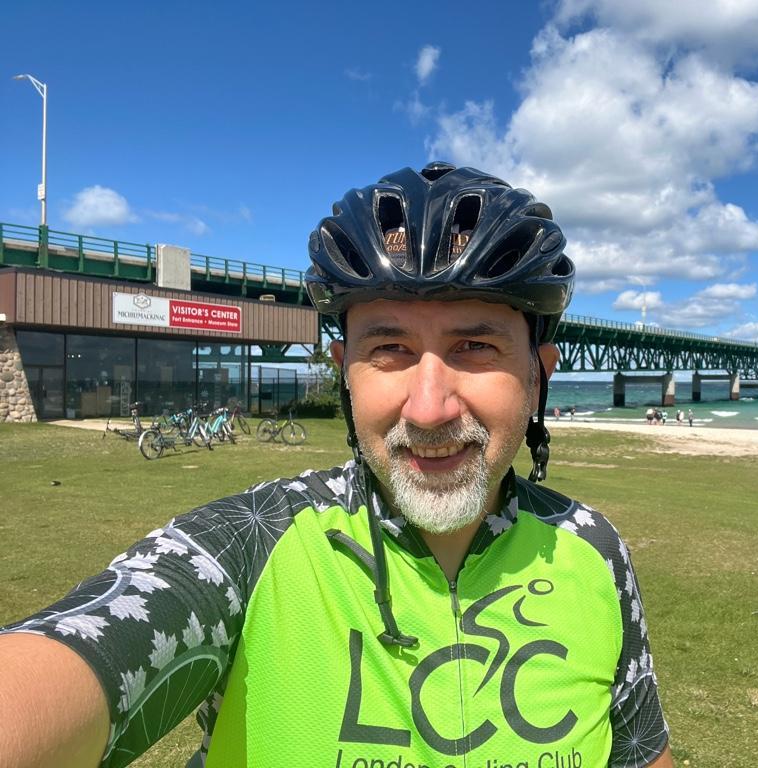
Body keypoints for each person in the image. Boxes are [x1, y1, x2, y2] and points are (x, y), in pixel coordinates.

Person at [0, 163, 672, 768]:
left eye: (474, 346)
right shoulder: (248, 545)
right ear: (343, 372)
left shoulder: (594, 551)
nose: (430, 408)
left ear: (538, 374)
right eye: (389, 349)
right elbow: (76, 656)